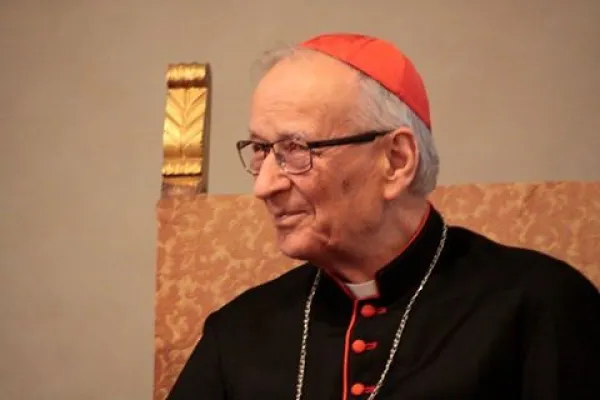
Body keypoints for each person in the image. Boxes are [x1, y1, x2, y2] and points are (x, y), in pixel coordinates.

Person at [167, 32, 600, 399]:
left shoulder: (540, 306)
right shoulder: (237, 332)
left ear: (396, 160)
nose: (264, 186)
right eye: (261, 150)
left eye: (295, 149)